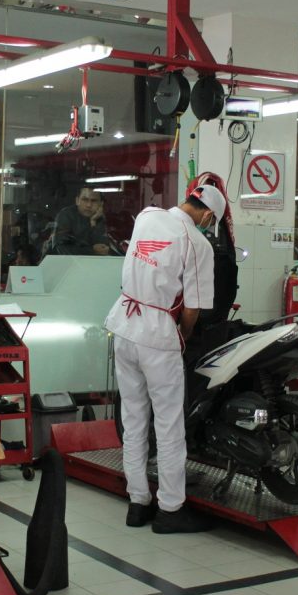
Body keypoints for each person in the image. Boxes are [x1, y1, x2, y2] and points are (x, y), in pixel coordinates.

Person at [105, 185, 224, 534]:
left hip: (124, 326)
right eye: (211, 222)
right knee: (169, 425)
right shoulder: (198, 243)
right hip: (157, 335)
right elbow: (193, 307)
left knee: (133, 419)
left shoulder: (147, 216)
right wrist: (182, 335)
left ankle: (137, 502)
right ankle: (170, 509)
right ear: (208, 215)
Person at [48, 188, 110, 255]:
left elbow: (103, 247)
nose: (89, 205)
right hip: (59, 260)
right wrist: (91, 250)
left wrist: (93, 222)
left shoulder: (98, 216)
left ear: (101, 204)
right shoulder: (66, 215)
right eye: (85, 200)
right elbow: (61, 248)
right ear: (77, 201)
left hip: (87, 260)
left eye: (94, 201)